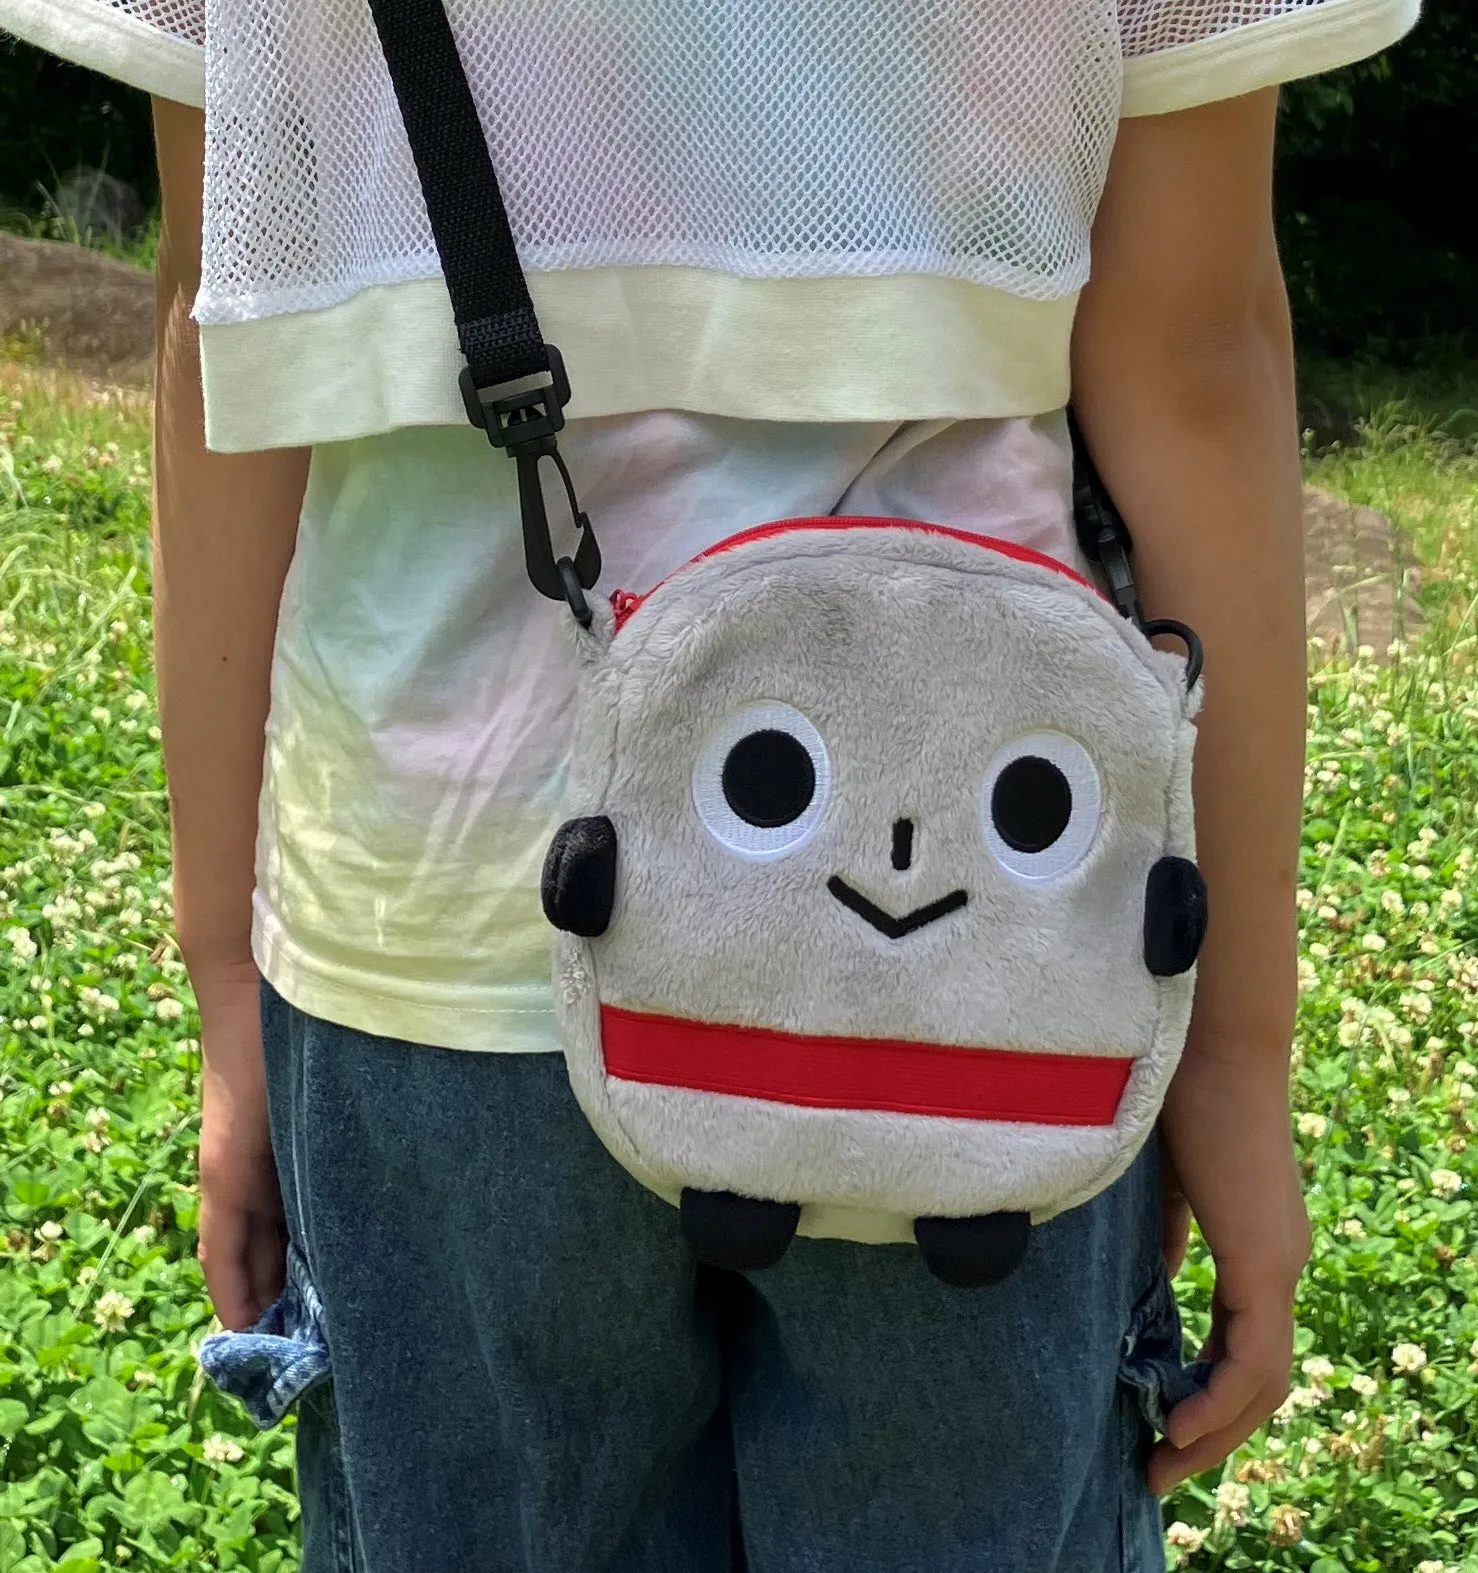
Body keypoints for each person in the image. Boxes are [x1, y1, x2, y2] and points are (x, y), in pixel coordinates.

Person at [2, 1, 1419, 1568]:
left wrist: (226, 971)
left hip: (439, 904)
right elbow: (1192, 359)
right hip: (985, 960)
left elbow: (223, 325)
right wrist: (1232, 1053)